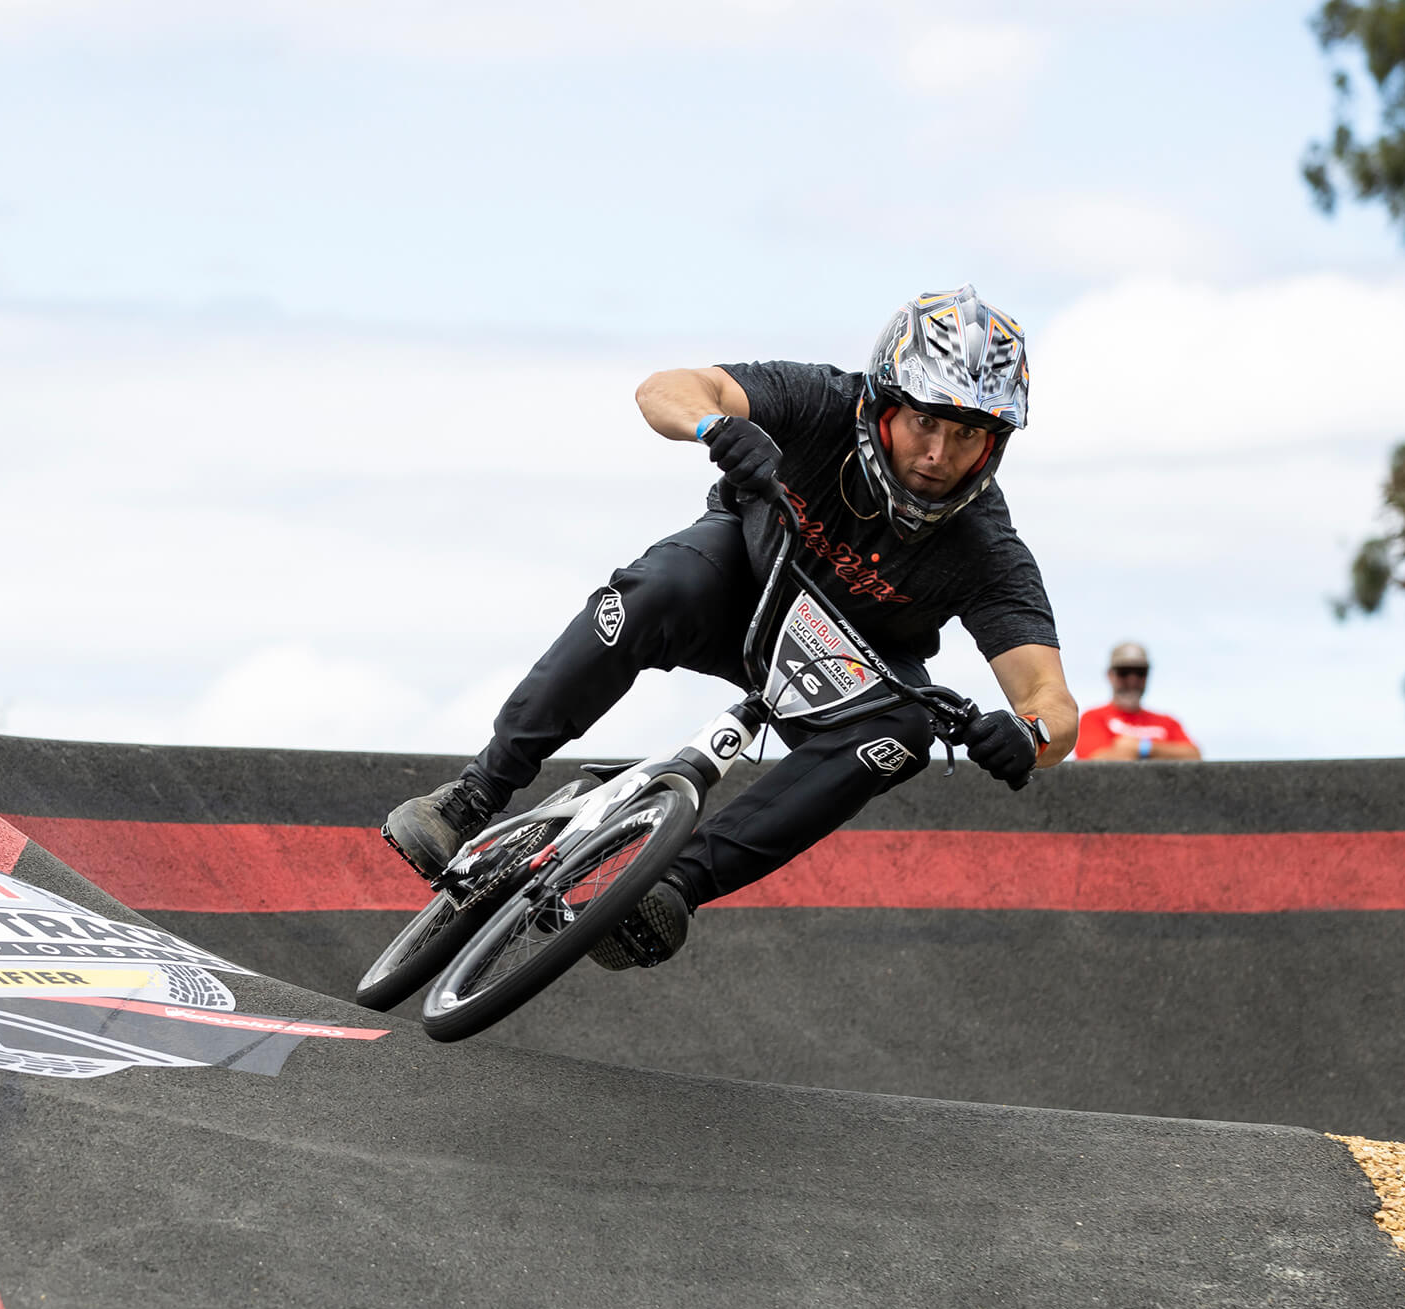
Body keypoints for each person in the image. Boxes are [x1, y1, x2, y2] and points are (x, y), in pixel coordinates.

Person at [383, 285, 1079, 970]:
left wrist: (1029, 734)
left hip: (850, 673)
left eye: (966, 435)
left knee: (905, 736)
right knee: (657, 588)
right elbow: (667, 387)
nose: (938, 453)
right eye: (924, 421)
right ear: (883, 404)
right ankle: (474, 795)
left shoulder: (987, 547)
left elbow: (1052, 703)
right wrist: (716, 427)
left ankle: (669, 890)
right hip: (742, 582)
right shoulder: (821, 403)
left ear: (994, 445)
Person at [1074, 642, 1201, 761]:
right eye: (1124, 673)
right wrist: (1164, 753)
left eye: (1140, 673)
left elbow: (1194, 756)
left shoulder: (1168, 722)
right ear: (1110, 675)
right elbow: (1094, 762)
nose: (1132, 680)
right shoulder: (1093, 718)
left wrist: (1142, 747)